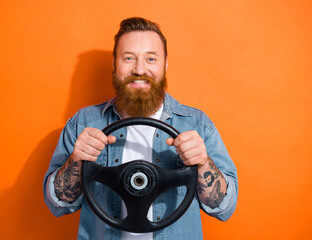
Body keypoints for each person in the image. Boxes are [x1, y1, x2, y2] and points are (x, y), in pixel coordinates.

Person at [43, 17, 238, 240]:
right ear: (115, 64)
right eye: (128, 58)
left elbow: (225, 208)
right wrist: (77, 160)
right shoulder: (83, 124)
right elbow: (57, 204)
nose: (139, 69)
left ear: (165, 65)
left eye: (151, 58)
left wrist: (203, 163)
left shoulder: (197, 125)